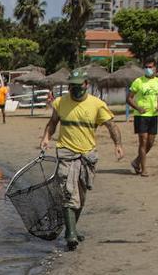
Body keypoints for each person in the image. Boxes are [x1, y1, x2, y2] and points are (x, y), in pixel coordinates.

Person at [39, 68, 125, 250]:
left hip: (87, 155)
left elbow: (111, 125)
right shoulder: (61, 102)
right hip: (66, 153)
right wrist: (46, 138)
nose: (75, 90)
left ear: (86, 85)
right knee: (69, 193)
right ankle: (70, 235)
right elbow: (53, 122)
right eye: (72, 86)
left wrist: (118, 145)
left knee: (81, 196)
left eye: (79, 86)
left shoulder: (97, 105)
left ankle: (73, 228)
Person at [126, 59, 158, 175]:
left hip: (153, 116)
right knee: (143, 141)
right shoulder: (138, 81)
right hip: (141, 116)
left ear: (155, 68)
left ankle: (136, 161)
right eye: (146, 67)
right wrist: (138, 108)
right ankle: (144, 169)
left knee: (150, 142)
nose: (148, 69)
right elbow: (129, 98)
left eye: (150, 67)